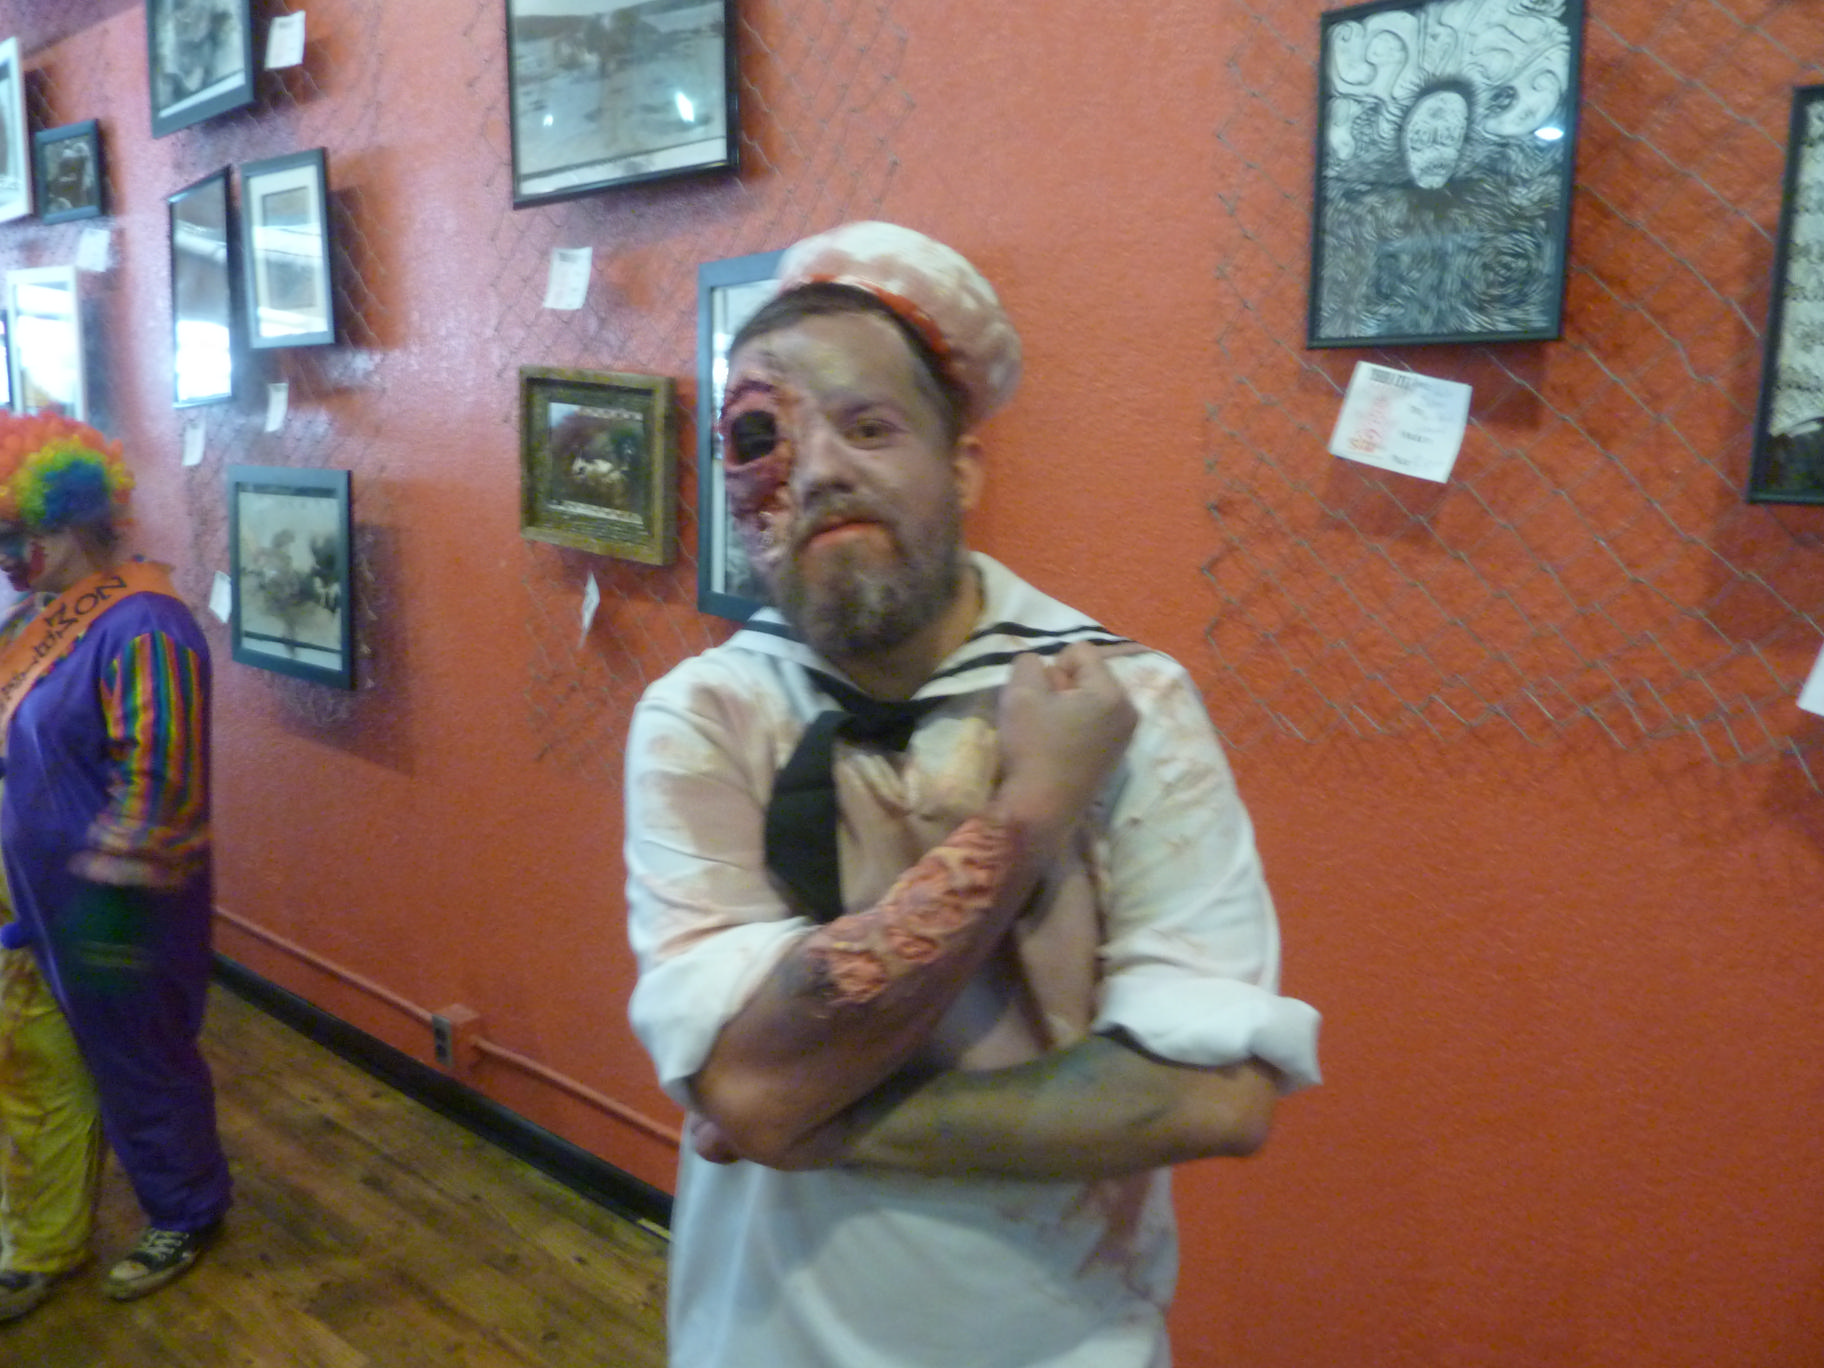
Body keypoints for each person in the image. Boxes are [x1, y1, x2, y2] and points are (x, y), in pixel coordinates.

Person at [623, 221, 1322, 1368]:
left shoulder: (1124, 699)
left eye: (868, 426)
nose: (820, 469)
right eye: (762, 437)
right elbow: (746, 1085)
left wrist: (811, 1122)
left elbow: (1212, 1097)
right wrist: (1033, 812)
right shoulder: (706, 715)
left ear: (962, 467)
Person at [0, 411, 229, 1320]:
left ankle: (188, 1212)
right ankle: (47, 1240)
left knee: (143, 1065)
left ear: (73, 521)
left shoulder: (146, 624)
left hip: (119, 905)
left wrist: (110, 908)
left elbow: (164, 780)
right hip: (36, 897)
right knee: (44, 1067)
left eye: (17, 536)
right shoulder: (36, 619)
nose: (8, 559)